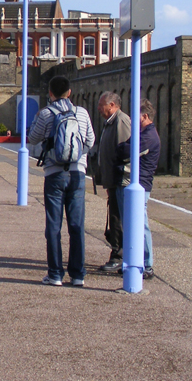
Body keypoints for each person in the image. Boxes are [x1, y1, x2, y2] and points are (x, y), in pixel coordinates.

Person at [27, 76, 95, 287]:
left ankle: (55, 274)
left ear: (50, 93)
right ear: (70, 92)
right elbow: (91, 141)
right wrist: (77, 157)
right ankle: (77, 275)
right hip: (77, 175)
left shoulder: (47, 113)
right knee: (76, 225)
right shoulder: (82, 113)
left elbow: (32, 138)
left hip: (54, 175)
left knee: (54, 226)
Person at [116, 98, 160, 279]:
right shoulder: (141, 133)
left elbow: (126, 151)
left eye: (136, 116)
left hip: (140, 184)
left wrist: (123, 148)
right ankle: (134, 261)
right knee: (131, 225)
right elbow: (125, 147)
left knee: (141, 225)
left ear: (145, 116)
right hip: (134, 182)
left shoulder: (148, 137)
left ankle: (147, 264)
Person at [92, 92, 131, 274]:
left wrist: (119, 178)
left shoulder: (120, 122)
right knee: (114, 217)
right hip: (112, 180)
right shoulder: (110, 122)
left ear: (112, 105)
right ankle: (118, 252)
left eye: (102, 106)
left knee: (118, 219)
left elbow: (125, 151)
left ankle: (119, 255)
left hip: (119, 181)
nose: (99, 109)